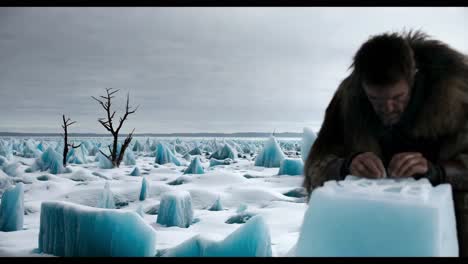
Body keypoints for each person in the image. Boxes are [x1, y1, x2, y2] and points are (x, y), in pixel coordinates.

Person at [303, 30, 468, 256]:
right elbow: (317, 166)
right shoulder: (348, 101)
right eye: (376, 100)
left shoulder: (460, 93)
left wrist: (438, 172)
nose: (388, 108)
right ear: (362, 88)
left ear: (414, 77)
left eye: (397, 98)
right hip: (372, 231)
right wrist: (345, 166)